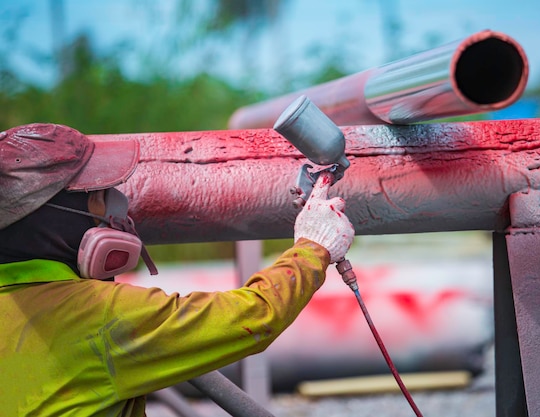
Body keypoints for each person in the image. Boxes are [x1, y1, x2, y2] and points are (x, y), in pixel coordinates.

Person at [0, 123, 355, 416]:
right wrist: (314, 245)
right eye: (99, 193)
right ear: (56, 216)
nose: (115, 206)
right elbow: (256, 315)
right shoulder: (98, 315)